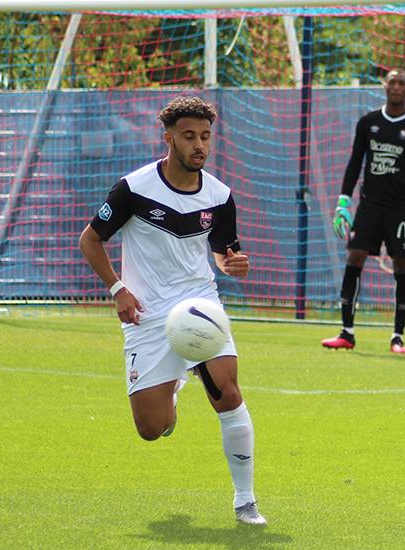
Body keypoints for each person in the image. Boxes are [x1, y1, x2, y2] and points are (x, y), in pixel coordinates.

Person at [78, 96, 267, 526]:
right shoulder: (134, 188)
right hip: (146, 312)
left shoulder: (220, 195)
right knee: (150, 428)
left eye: (205, 136)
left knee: (228, 390)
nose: (199, 145)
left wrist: (233, 263)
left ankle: (245, 501)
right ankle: (173, 392)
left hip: (200, 305)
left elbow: (223, 255)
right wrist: (118, 290)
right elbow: (91, 239)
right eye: (189, 136)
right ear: (168, 139)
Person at [322, 69, 405, 354]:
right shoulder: (368, 123)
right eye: (392, 82)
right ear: (384, 86)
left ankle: (397, 336)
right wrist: (343, 202)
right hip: (370, 205)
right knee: (355, 256)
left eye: (402, 83)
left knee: (401, 263)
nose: (396, 87)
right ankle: (346, 332)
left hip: (401, 208)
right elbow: (354, 163)